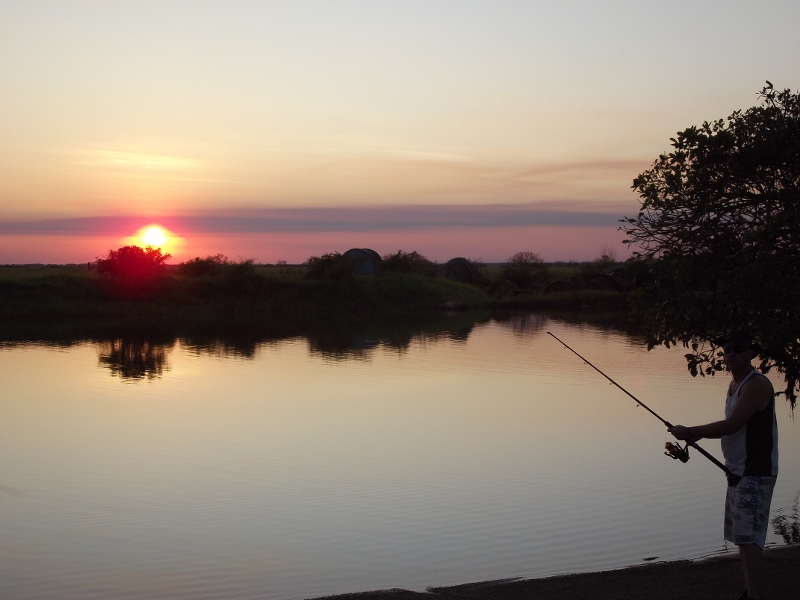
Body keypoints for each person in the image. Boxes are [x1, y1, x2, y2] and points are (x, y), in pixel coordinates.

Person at [668, 331, 778, 600]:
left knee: (749, 540)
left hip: (755, 473)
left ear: (751, 353)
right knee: (742, 538)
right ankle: (749, 591)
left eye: (738, 350)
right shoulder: (734, 385)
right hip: (737, 472)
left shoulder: (756, 385)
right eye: (727, 350)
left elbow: (732, 425)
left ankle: (757, 596)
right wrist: (693, 435)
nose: (731, 355)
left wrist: (691, 431)